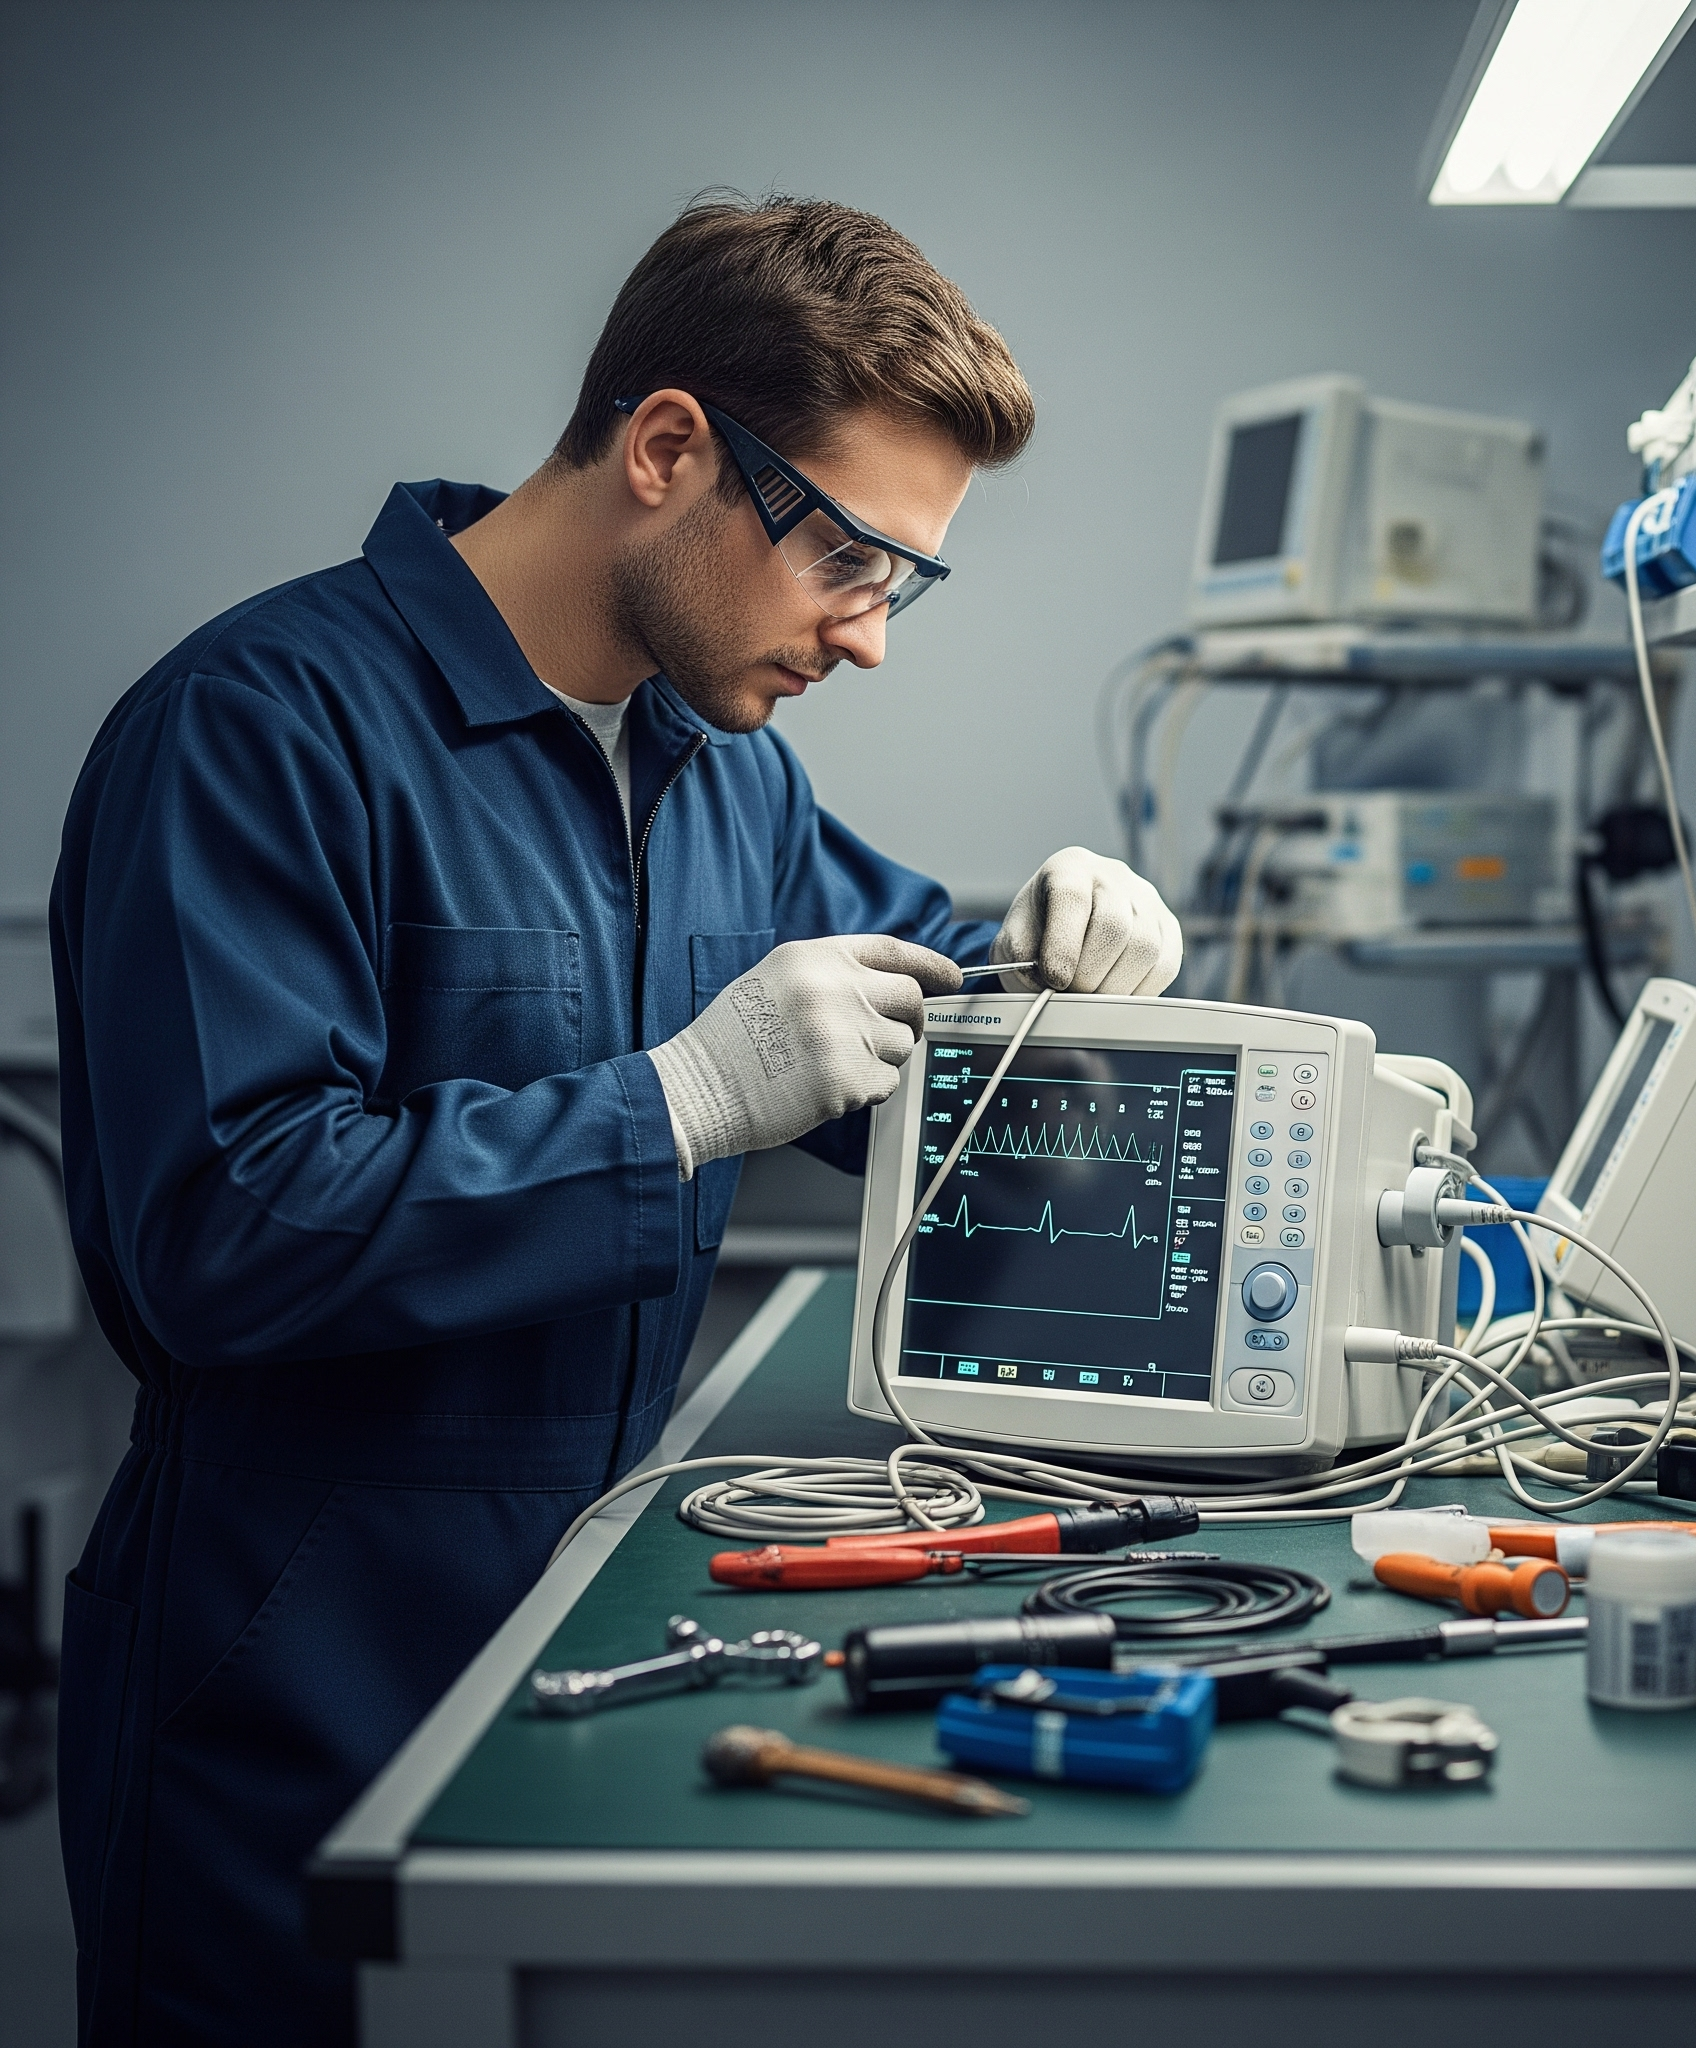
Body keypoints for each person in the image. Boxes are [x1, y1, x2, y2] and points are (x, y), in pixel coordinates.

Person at [50, 193, 1180, 2045]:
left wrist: (1069, 959)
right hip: (295, 1675)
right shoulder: (257, 727)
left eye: (911, 582)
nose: (874, 637)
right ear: (669, 451)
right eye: (856, 560)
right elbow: (222, 1235)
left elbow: (934, 1013)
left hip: (594, 1636)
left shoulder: (719, 768)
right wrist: (676, 1102)